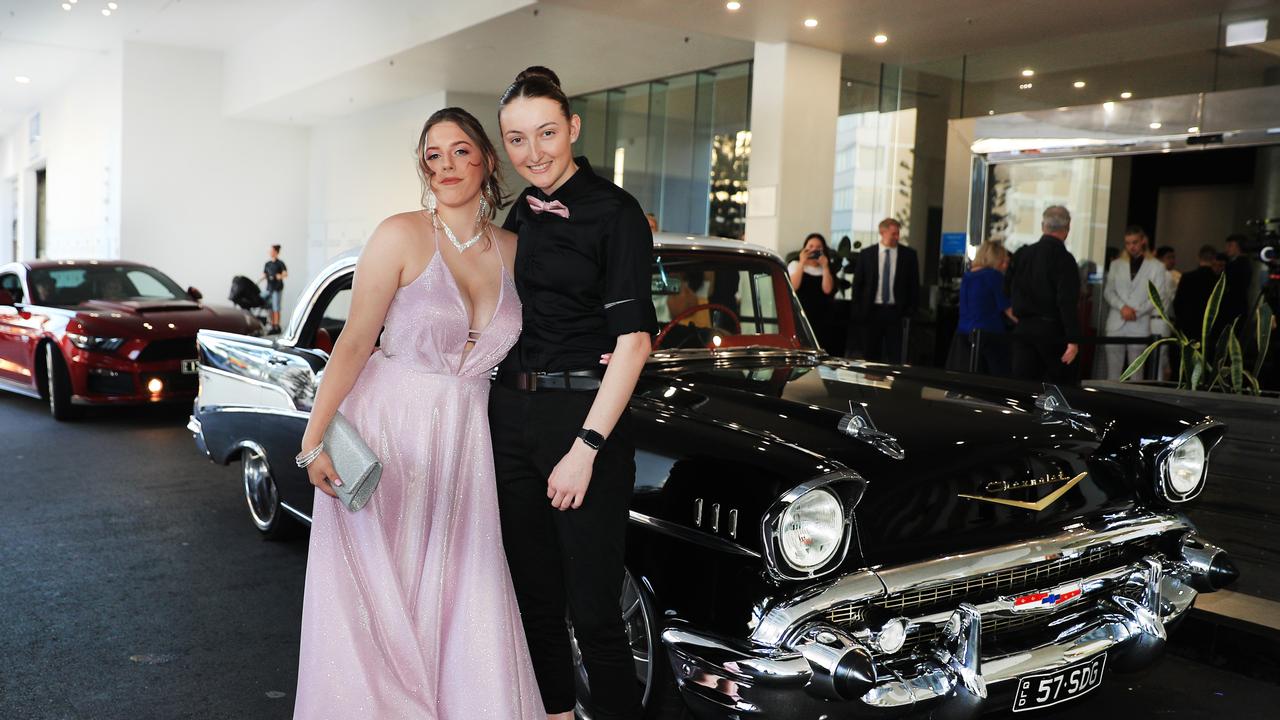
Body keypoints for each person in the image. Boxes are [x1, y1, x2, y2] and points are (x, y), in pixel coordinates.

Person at [292, 108, 544, 719]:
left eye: (460, 151)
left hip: (465, 445)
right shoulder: (400, 234)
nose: (447, 166)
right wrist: (314, 438)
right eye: (433, 155)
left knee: (463, 593)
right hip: (388, 436)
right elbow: (353, 342)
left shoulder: (517, 250)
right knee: (377, 601)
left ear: (486, 159)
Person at [491, 66, 656, 720]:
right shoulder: (517, 213)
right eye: (517, 139)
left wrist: (586, 447)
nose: (534, 152)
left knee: (594, 613)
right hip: (510, 417)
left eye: (547, 133)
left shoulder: (614, 213)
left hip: (582, 423)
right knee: (534, 602)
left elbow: (635, 342)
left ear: (574, 128)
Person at [1008, 206, 1081, 382]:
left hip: (1023, 328)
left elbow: (1008, 288)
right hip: (1052, 331)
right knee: (1054, 390)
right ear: (1067, 229)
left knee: (1022, 385)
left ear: (1043, 226)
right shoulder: (1065, 259)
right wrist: (1073, 339)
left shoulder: (1023, 254)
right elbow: (1067, 301)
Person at [1103, 225, 1172, 380]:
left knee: (1136, 375)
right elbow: (1108, 291)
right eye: (1127, 243)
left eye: (1134, 242)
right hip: (1116, 322)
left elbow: (1158, 297)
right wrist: (1123, 308)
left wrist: (1136, 311)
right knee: (1112, 374)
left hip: (1139, 322)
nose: (1131, 246)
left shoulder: (1157, 266)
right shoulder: (1116, 264)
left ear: (1143, 241)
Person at [852, 218, 919, 362]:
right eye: (893, 234)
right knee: (871, 354)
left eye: (897, 233)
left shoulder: (909, 255)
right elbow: (858, 284)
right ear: (882, 232)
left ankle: (894, 384)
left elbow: (914, 285)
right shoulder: (866, 254)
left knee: (895, 354)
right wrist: (858, 309)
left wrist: (911, 310)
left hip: (896, 311)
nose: (897, 237)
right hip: (872, 311)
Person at [949, 241, 1015, 376]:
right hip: (989, 337)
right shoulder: (993, 276)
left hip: (963, 335)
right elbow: (1007, 308)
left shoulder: (968, 275)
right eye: (1003, 261)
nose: (1005, 265)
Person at [788, 233, 837, 353]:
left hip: (822, 315)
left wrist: (825, 266)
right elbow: (793, 286)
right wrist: (802, 263)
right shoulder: (795, 265)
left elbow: (827, 290)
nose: (814, 250)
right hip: (801, 315)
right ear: (804, 248)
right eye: (810, 246)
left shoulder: (826, 268)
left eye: (818, 247)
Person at [1174, 244, 1221, 343]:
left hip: (1189, 324)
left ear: (1198, 257)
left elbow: (1178, 303)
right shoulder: (1218, 281)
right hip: (1211, 325)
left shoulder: (1187, 277)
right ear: (1214, 259)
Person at [260, 244, 288, 333]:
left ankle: (276, 325)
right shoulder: (267, 264)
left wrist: (280, 276)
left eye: (272, 251)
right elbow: (264, 274)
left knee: (276, 307)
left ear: (276, 252)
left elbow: (285, 274)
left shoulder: (280, 263)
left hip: (277, 288)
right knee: (268, 306)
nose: (270, 252)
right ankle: (271, 323)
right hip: (269, 288)